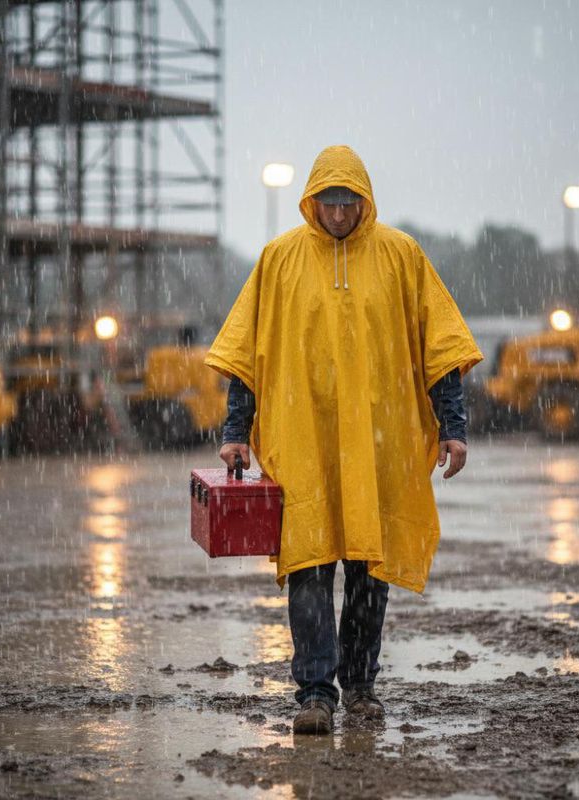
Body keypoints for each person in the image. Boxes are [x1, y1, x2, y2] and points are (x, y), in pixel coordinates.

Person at [205, 145, 482, 735]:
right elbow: (246, 357)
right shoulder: (279, 260)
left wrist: (452, 428)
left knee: (367, 571)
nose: (337, 213)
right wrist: (236, 432)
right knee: (308, 568)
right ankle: (313, 694)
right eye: (327, 202)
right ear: (313, 201)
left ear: (364, 199)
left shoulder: (402, 256)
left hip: (379, 450)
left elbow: (440, 352)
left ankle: (359, 688)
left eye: (347, 201)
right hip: (302, 446)